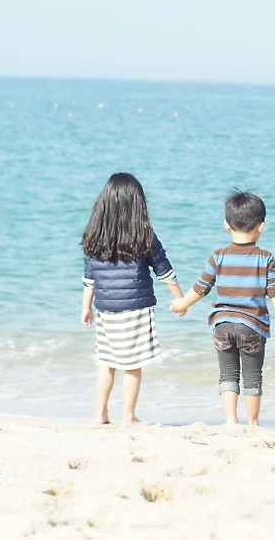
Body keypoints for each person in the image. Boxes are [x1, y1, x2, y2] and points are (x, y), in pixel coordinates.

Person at [171, 190, 275, 425]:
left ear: (226, 225)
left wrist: (181, 304)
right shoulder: (265, 258)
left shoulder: (218, 257)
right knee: (252, 376)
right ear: (261, 226)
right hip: (252, 327)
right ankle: (253, 423)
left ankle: (230, 420)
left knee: (227, 374)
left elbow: (201, 288)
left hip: (222, 325)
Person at [80, 172, 182, 425]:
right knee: (133, 364)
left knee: (107, 362)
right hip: (136, 307)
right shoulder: (143, 234)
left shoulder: (94, 235)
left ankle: (100, 413)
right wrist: (179, 299)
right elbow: (163, 270)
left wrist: (86, 307)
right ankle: (128, 415)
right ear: (138, 204)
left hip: (105, 309)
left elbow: (89, 277)